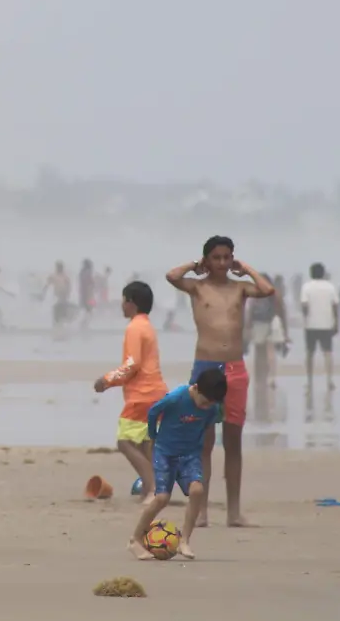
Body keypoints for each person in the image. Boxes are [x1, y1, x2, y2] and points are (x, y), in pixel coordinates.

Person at [165, 236, 275, 527]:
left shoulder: (240, 289)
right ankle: (200, 511)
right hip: (206, 368)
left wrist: (246, 268)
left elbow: (267, 289)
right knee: (202, 442)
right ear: (208, 260)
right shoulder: (198, 287)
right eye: (216, 258)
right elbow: (172, 276)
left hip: (234, 368)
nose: (222, 263)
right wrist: (195, 265)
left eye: (227, 257)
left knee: (233, 442)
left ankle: (234, 512)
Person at [127, 367, 227, 561]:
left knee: (198, 490)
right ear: (196, 388)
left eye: (211, 404)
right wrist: (154, 436)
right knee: (162, 497)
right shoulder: (177, 397)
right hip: (164, 453)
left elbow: (207, 425)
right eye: (204, 402)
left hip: (189, 455)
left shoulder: (212, 408)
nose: (206, 407)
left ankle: (185, 541)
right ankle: (135, 539)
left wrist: (198, 447)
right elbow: (154, 411)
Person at [93, 281, 166, 505]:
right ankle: (151, 488)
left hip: (142, 395)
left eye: (124, 300)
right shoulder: (147, 326)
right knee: (145, 444)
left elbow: (131, 365)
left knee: (125, 442)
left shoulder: (135, 327)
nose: (121, 305)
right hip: (157, 392)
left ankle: (153, 488)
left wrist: (106, 381)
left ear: (131, 303)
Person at [300, 262, 339, 395]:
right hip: (326, 324)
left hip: (311, 325)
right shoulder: (330, 287)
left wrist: (305, 319)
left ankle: (309, 380)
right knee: (327, 353)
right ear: (323, 273)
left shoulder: (306, 287)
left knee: (310, 353)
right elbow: (335, 306)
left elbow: (304, 305)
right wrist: (336, 323)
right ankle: (329, 380)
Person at [244, 272, 288, 388]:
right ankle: (271, 377)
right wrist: (285, 331)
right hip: (272, 324)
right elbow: (282, 312)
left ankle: (260, 377)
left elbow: (250, 311)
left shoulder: (255, 294)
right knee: (270, 352)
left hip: (259, 324)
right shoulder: (275, 293)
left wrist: (247, 328)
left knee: (260, 352)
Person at [43, 261, 74, 329]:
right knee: (57, 312)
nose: (60, 268)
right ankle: (57, 326)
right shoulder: (53, 276)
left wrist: (68, 293)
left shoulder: (65, 276)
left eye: (61, 267)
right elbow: (47, 284)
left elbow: (69, 285)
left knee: (62, 313)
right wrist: (43, 293)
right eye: (59, 267)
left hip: (64, 296)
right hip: (57, 296)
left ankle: (61, 326)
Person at [78, 259, 96, 329]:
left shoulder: (82, 273)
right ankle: (83, 325)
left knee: (87, 310)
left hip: (84, 294)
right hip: (87, 295)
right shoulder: (87, 273)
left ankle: (83, 324)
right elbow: (90, 283)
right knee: (89, 310)